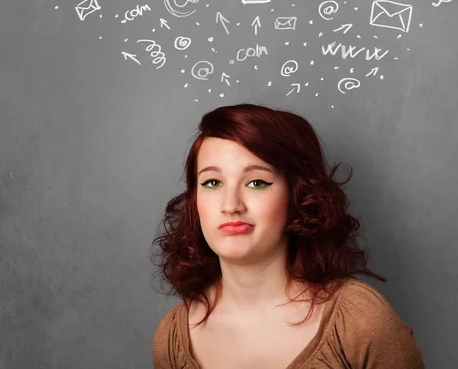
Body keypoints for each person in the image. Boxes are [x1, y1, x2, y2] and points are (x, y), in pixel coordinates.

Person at [150, 103, 425, 368]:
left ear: (298, 197)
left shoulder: (362, 322)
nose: (231, 205)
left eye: (257, 182)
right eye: (212, 182)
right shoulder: (172, 337)